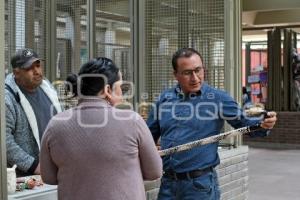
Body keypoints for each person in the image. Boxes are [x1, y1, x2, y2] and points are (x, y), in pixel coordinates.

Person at [146, 48, 277, 200]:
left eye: (198, 70)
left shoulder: (218, 98)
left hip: (199, 187)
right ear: (176, 75)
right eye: (187, 73)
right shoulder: (165, 98)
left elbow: (245, 124)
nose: (195, 78)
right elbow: (149, 135)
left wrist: (264, 124)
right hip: (168, 185)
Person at [40, 57, 162, 200]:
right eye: (120, 88)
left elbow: (48, 177)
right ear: (108, 90)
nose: (122, 94)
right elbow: (155, 172)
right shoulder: (132, 121)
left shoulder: (55, 124)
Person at [5, 48, 62, 177]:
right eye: (29, 68)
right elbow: (5, 142)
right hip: (27, 176)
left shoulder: (47, 87)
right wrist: (35, 166)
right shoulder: (7, 98)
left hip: (55, 166)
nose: (37, 71)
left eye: (38, 65)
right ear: (16, 73)